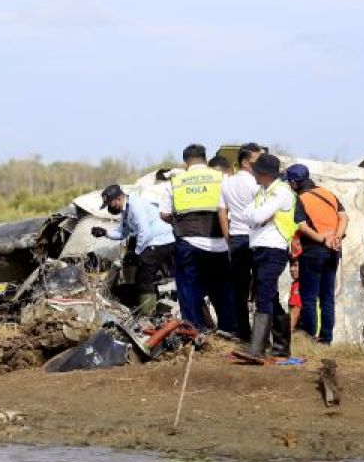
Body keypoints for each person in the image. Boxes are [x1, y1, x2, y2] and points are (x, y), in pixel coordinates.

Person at [158, 144, 236, 335]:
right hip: (220, 245)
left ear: (185, 162)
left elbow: (165, 214)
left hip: (189, 244)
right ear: (206, 159)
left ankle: (194, 331)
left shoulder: (175, 182)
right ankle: (228, 329)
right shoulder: (222, 178)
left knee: (189, 290)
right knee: (223, 290)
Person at [236, 153, 297, 359]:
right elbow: (246, 215)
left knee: (263, 292)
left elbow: (256, 215)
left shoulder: (281, 192)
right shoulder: (263, 191)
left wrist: (258, 218)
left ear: (263, 174)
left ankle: (257, 348)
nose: (252, 174)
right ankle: (281, 346)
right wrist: (258, 218)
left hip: (274, 248)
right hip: (260, 248)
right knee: (269, 295)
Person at [287, 164, 349, 345]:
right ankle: (326, 338)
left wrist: (322, 240)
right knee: (327, 297)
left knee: (309, 296)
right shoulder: (328, 193)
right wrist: (336, 237)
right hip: (333, 252)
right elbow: (344, 217)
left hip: (314, 252)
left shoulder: (301, 198)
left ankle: (309, 336)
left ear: (293, 182)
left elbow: (301, 226)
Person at [91, 184, 175, 316]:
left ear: (118, 199)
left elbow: (144, 232)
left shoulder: (136, 206)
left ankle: (147, 314)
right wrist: (105, 232)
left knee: (144, 276)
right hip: (152, 241)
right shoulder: (126, 210)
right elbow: (123, 233)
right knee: (140, 275)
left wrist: (137, 252)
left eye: (110, 205)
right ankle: (150, 306)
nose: (110, 208)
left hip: (161, 241)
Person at [221, 142, 263, 340]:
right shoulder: (257, 184)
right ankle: (261, 334)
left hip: (237, 238)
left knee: (240, 287)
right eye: (257, 160)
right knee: (263, 283)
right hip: (256, 237)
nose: (261, 164)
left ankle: (243, 332)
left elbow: (222, 212)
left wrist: (228, 237)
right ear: (246, 162)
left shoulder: (226, 182)